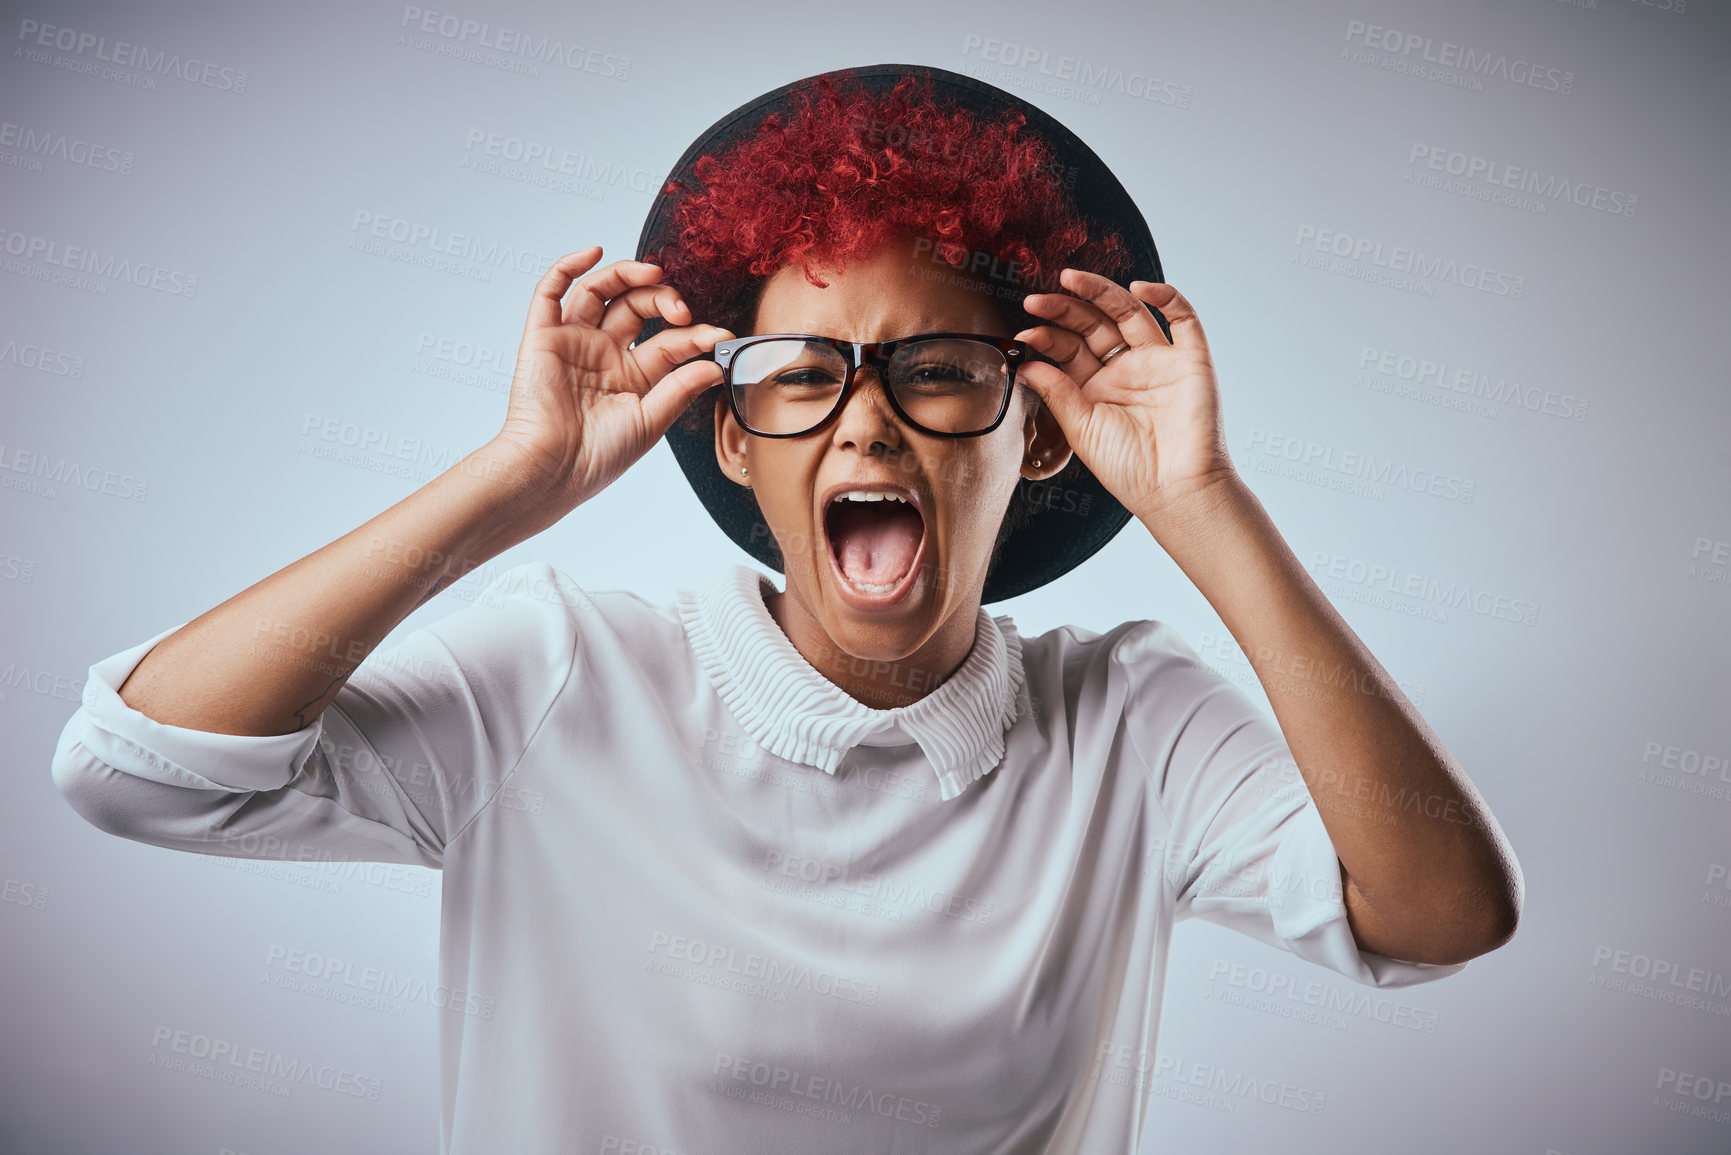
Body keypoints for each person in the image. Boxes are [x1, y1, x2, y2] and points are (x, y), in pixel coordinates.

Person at [50, 65, 1521, 1154]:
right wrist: (515, 479)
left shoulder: (1127, 723)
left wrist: (1200, 500)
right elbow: (134, 769)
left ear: (1042, 429)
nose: (867, 428)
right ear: (735, 437)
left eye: (939, 367)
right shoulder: (568, 671)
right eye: (803, 375)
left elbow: (1444, 915)